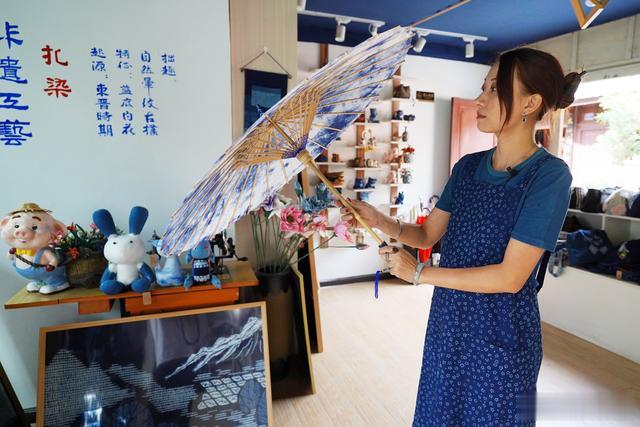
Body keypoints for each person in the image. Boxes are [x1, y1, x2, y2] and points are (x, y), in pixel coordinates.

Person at [341, 48, 583, 425]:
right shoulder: (467, 167)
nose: (479, 99)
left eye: (493, 89)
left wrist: (419, 274)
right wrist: (380, 220)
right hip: (449, 325)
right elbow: (426, 235)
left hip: (501, 334)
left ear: (530, 103)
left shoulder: (549, 176)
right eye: (483, 88)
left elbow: (510, 277)